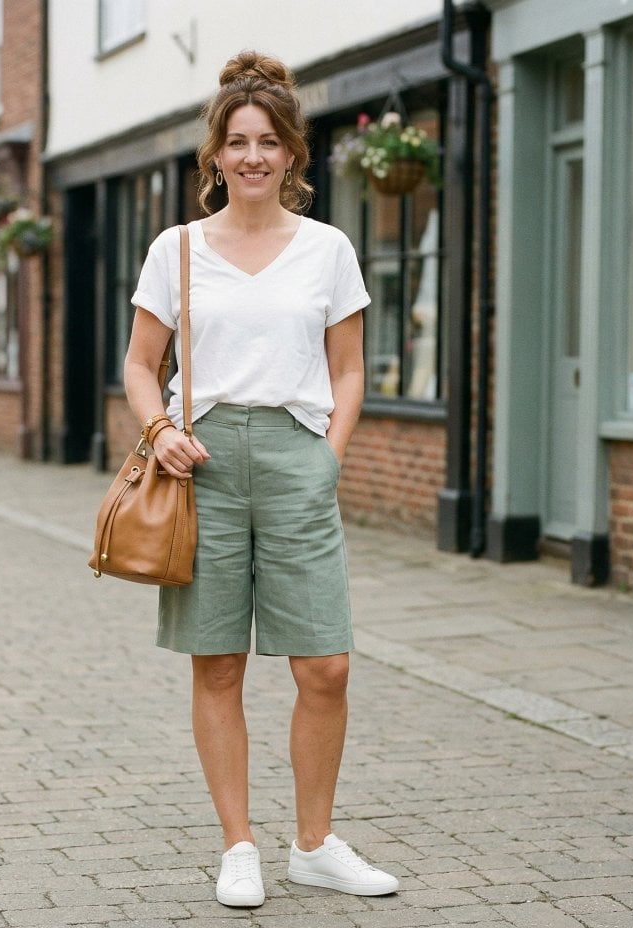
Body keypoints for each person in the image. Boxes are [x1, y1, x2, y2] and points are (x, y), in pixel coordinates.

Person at [123, 50, 399, 908]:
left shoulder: (327, 251)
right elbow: (139, 364)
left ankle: (314, 844)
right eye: (237, 142)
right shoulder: (176, 250)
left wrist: (329, 455)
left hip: (294, 456)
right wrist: (159, 427)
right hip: (199, 463)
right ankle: (238, 845)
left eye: (268, 142)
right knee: (218, 667)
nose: (251, 157)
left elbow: (348, 371)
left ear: (291, 155)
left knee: (326, 667)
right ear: (215, 155)